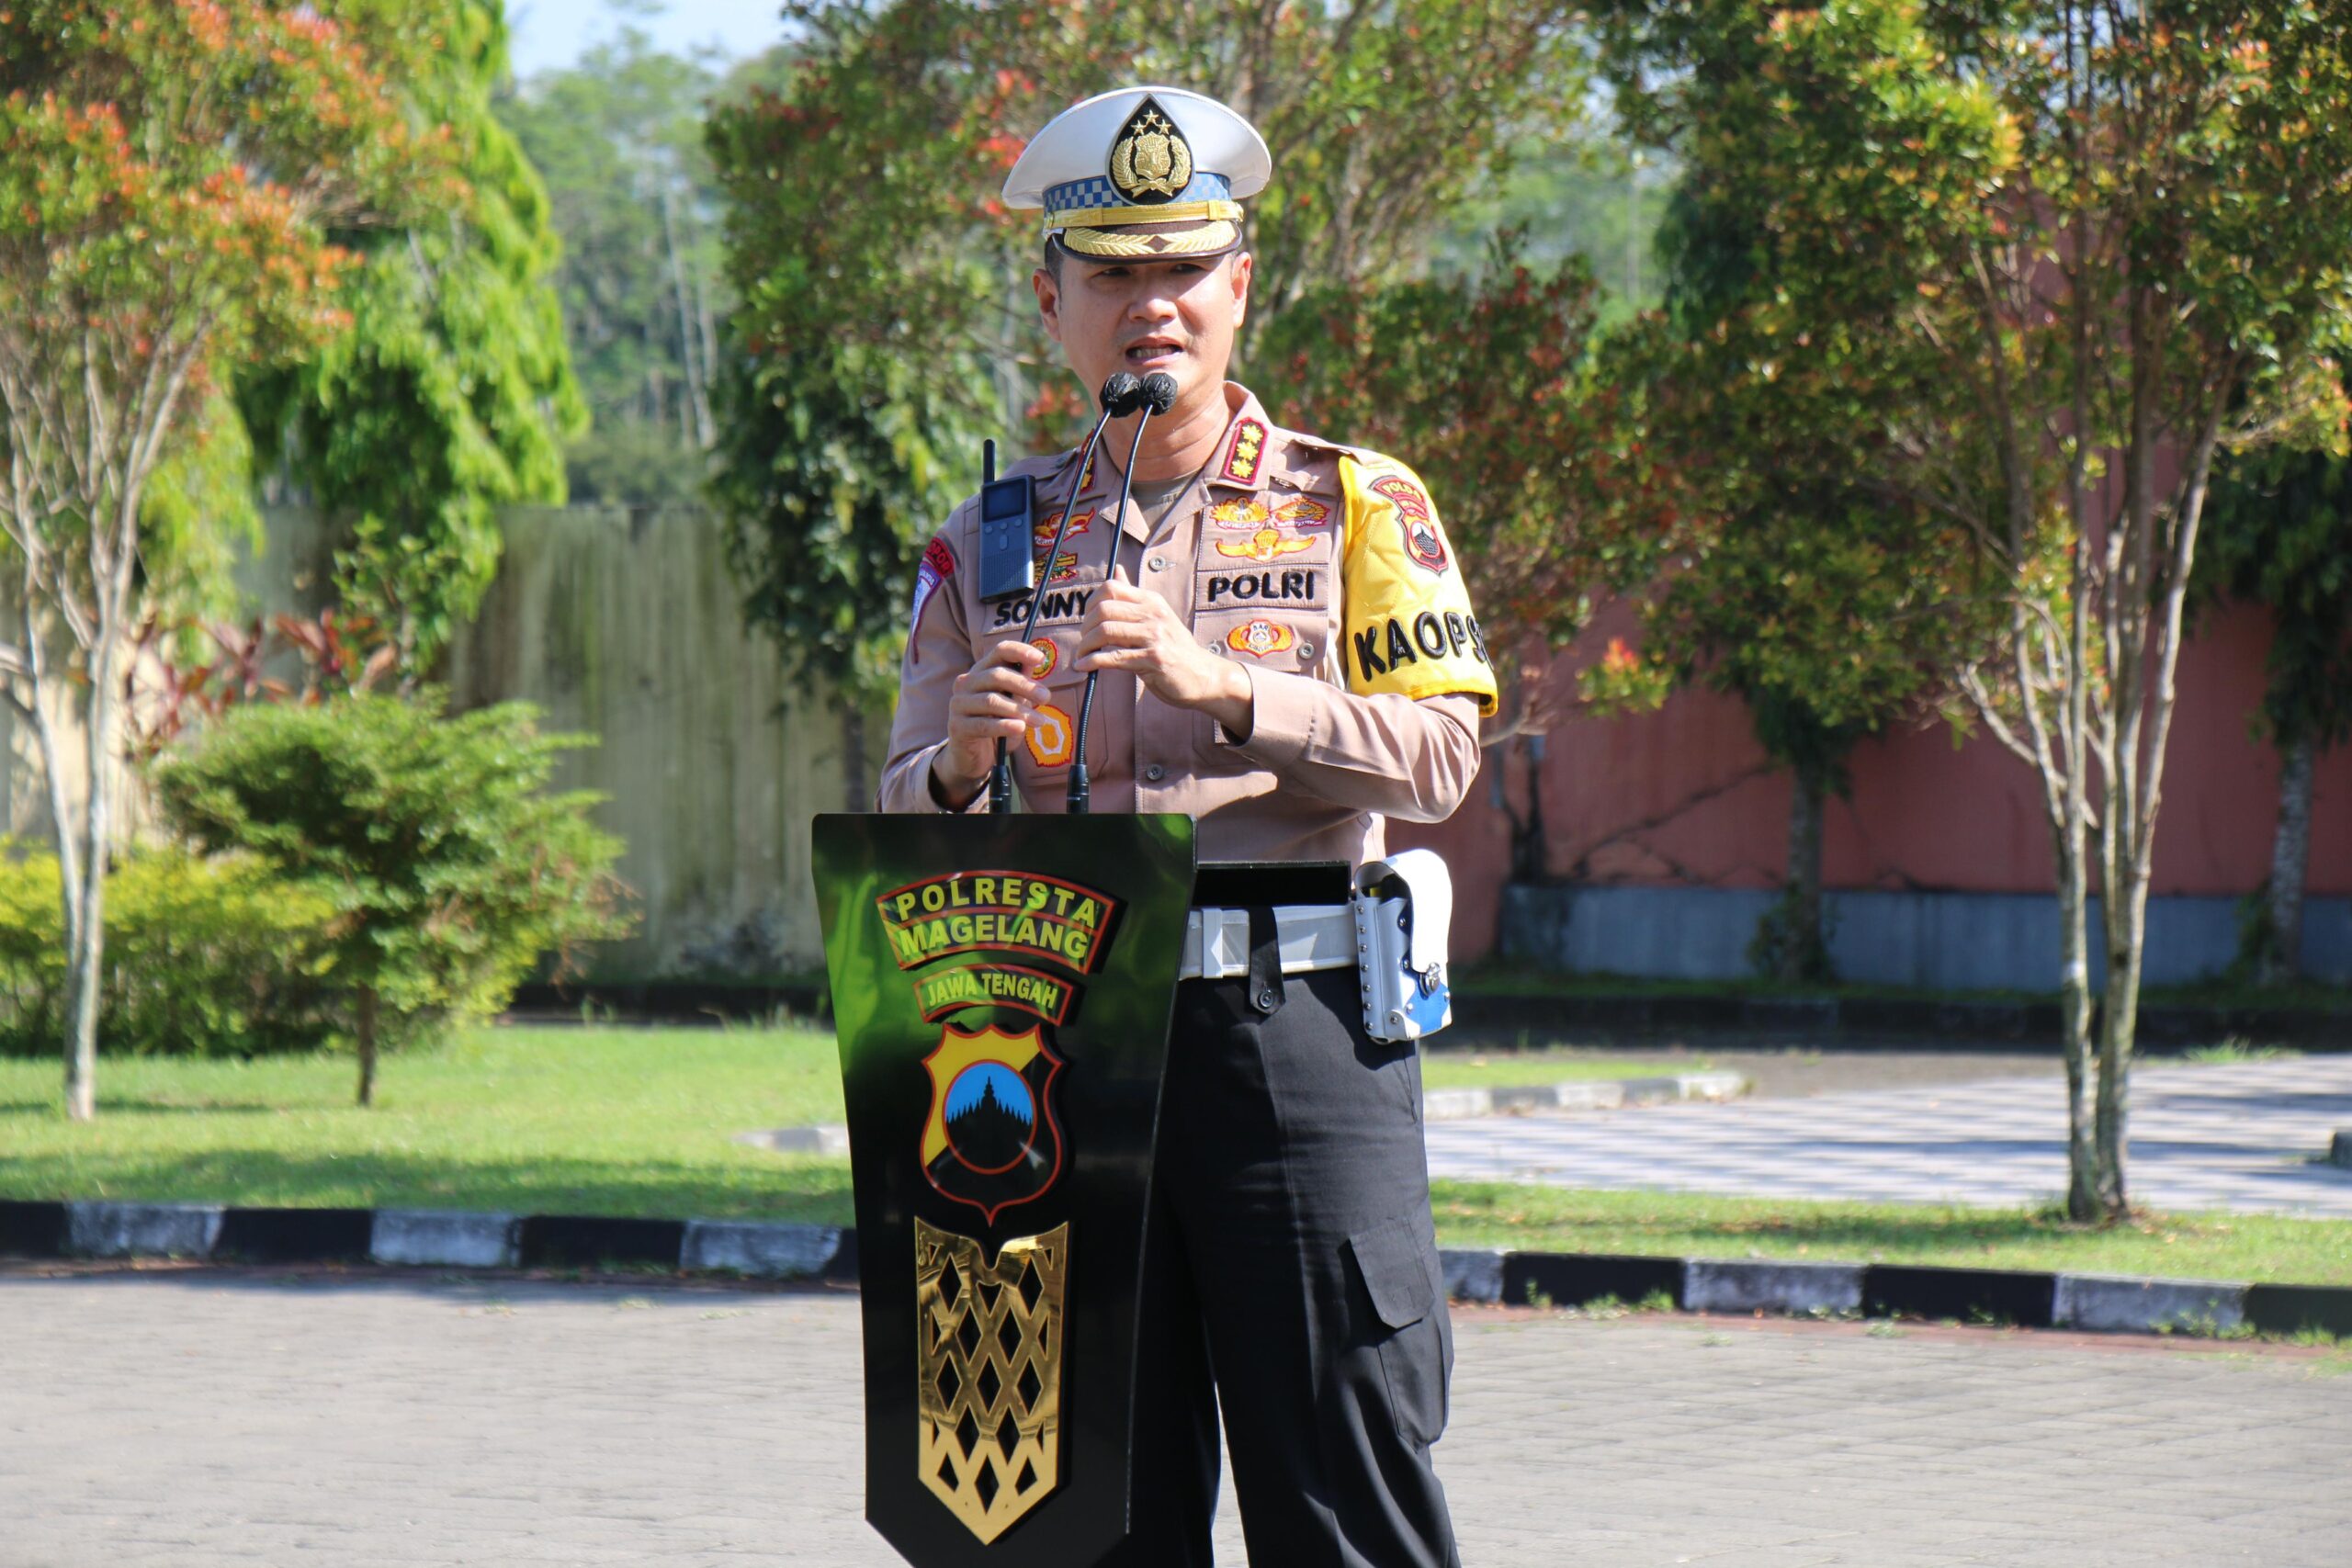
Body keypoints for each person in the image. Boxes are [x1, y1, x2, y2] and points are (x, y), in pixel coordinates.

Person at [878, 85, 1498, 1568]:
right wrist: (960, 765)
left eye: (1182, 269)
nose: (1149, 305)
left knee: (1343, 1488)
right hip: (1056, 1048)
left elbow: (1441, 760)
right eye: (1111, 273)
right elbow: (898, 805)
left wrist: (1230, 689)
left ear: (1240, 287)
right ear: (1054, 305)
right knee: (1077, 1509)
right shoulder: (987, 540)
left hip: (1298, 1036)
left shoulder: (1355, 504)